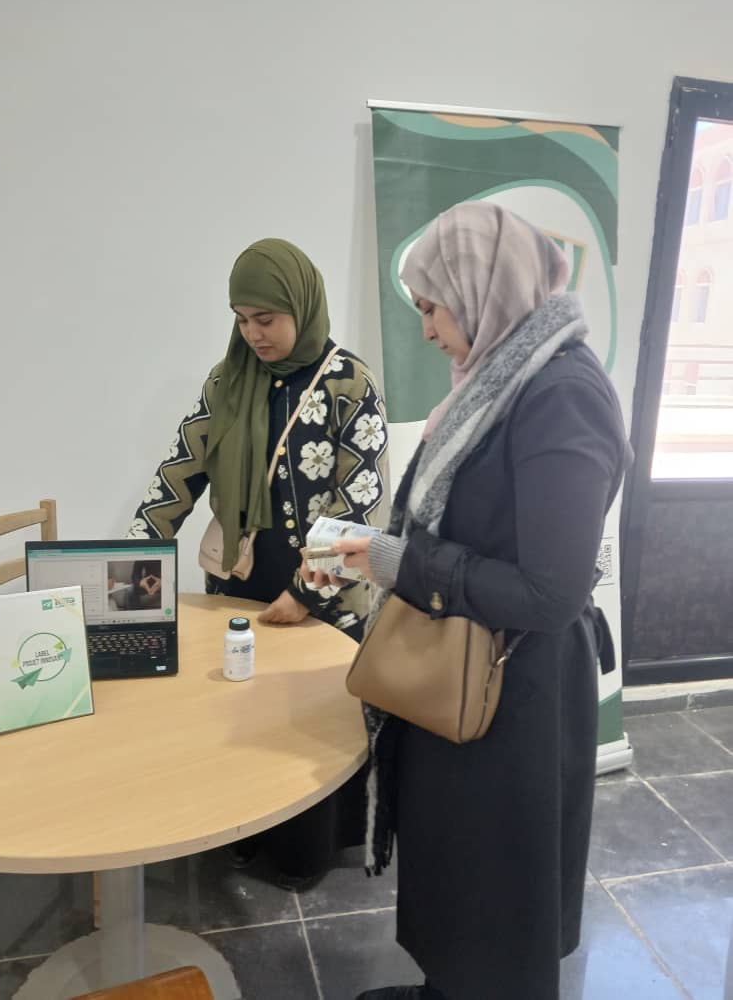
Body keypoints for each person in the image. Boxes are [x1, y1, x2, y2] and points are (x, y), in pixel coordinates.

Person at [303, 201, 632, 1000]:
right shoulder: (498, 379)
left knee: (496, 884)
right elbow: (462, 526)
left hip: (515, 689)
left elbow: (549, 592)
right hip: (464, 664)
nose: (424, 330)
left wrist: (397, 562)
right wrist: (375, 555)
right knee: (454, 862)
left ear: (485, 291)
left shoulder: (562, 395)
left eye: (432, 307)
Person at [128, 237, 389, 887]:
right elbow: (179, 473)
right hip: (239, 583)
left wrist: (306, 590)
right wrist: (128, 562)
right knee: (239, 719)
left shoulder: (349, 383)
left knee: (307, 722)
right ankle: (239, 837)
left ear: (302, 305)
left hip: (321, 592)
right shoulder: (227, 381)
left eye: (266, 318)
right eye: (241, 319)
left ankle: (303, 856)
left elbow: (359, 497)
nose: (252, 333)